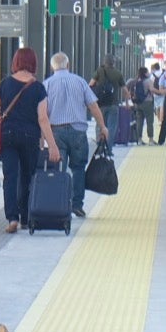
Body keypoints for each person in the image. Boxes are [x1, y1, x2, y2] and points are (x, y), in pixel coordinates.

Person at [0, 48, 59, 234]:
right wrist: (52, 145)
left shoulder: (5, 84)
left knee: (10, 177)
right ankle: (26, 217)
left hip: (8, 135)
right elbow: (42, 119)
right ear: (33, 63)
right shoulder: (38, 88)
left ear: (16, 62)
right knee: (27, 177)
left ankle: (12, 218)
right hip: (30, 137)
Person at [42, 52, 109, 219]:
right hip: (78, 132)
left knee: (59, 169)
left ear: (52, 67)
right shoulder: (80, 82)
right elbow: (93, 107)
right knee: (78, 169)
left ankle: (59, 204)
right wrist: (103, 127)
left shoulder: (47, 84)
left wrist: (42, 137)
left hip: (56, 132)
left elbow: (42, 114)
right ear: (68, 64)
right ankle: (77, 205)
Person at [89, 53, 125, 118]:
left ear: (104, 61)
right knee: (112, 127)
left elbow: (90, 84)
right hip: (113, 103)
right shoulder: (118, 73)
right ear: (114, 62)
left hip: (101, 103)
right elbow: (125, 90)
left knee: (101, 125)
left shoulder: (99, 71)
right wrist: (127, 103)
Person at [128, 66, 156, 144]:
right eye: (147, 72)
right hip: (147, 103)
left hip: (137, 103)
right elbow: (152, 90)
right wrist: (161, 91)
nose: (148, 73)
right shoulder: (148, 81)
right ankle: (150, 140)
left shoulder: (134, 81)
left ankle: (139, 140)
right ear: (145, 73)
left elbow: (126, 88)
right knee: (149, 121)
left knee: (139, 121)